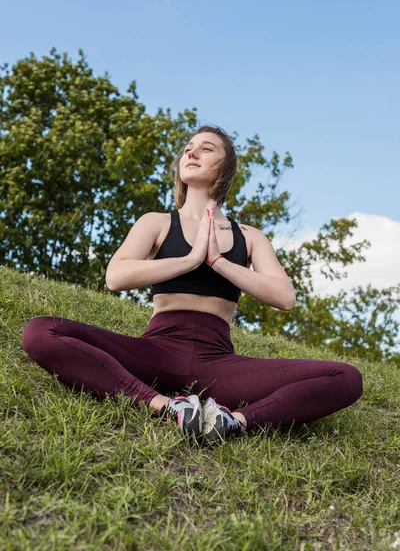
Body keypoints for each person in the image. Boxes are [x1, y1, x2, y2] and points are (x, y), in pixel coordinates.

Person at [21, 125, 363, 446]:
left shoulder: (250, 237)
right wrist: (189, 259)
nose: (192, 153)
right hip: (155, 353)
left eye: (206, 148)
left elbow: (284, 297)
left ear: (226, 166)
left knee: (345, 377)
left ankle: (232, 421)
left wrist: (218, 262)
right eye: (188, 149)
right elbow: (116, 277)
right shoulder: (155, 222)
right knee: (39, 332)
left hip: (219, 366)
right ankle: (167, 407)